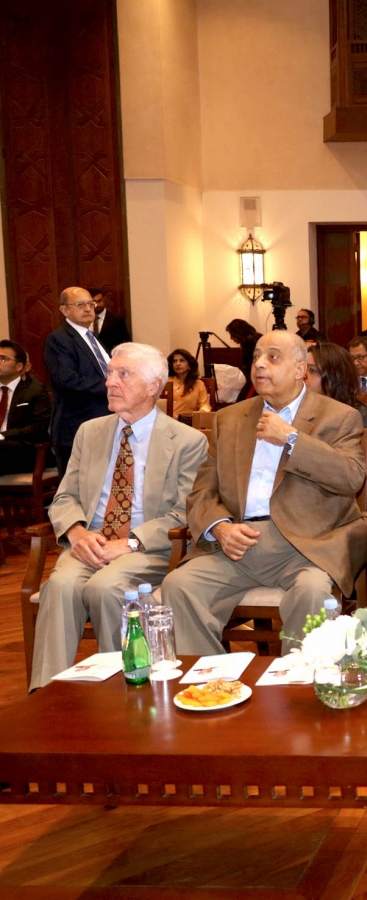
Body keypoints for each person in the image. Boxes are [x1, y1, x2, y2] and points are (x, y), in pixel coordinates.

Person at [163, 331, 367, 656]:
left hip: (305, 546)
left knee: (313, 594)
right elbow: (203, 490)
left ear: (300, 369)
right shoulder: (230, 419)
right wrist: (218, 526)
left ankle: (300, 688)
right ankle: (210, 684)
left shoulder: (340, 417)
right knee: (179, 586)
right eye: (257, 356)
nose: (259, 364)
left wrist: (291, 438)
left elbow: (350, 477)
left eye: (273, 357)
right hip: (237, 542)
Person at [29, 343, 206, 690]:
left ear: (153, 386)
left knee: (107, 588)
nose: (110, 381)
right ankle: (46, 695)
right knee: (60, 587)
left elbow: (185, 511)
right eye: (110, 372)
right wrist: (77, 533)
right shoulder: (90, 432)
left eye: (123, 374)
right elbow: (65, 496)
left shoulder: (187, 441)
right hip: (89, 541)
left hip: (146, 547)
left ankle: (125, 689)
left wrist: (130, 542)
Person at [307, 342, 367, 511]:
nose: (303, 376)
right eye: (302, 368)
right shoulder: (297, 412)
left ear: (334, 376)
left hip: (346, 505)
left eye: (312, 370)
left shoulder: (362, 415)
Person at [45, 287, 111, 471]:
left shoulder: (92, 337)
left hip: (103, 425)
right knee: (77, 493)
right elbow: (68, 380)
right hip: (76, 428)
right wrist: (113, 388)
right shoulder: (59, 339)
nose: (88, 308)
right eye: (80, 304)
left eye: (91, 303)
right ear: (64, 310)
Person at [0, 340, 52, 475]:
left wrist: (3, 435)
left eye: (3, 359)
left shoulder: (35, 390)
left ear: (19, 366)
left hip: (23, 450)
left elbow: (39, 428)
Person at [165, 349, 211, 420]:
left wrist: (201, 413)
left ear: (189, 364)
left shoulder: (198, 384)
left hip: (187, 422)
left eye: (182, 360)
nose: (177, 364)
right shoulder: (166, 381)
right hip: (166, 421)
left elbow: (204, 405)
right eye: (175, 361)